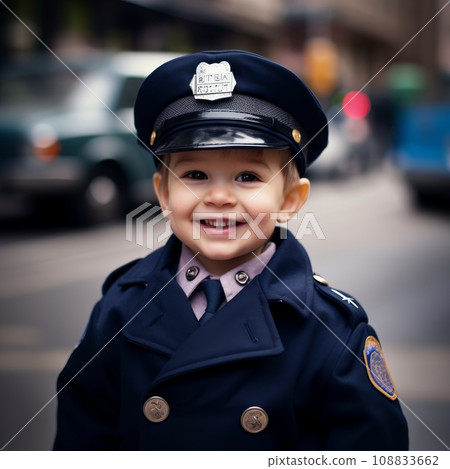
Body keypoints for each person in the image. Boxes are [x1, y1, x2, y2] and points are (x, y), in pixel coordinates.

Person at [54, 50, 408, 450]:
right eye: (195, 175)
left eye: (247, 176)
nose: (219, 196)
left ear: (290, 199)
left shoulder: (331, 330)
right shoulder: (119, 308)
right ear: (163, 193)